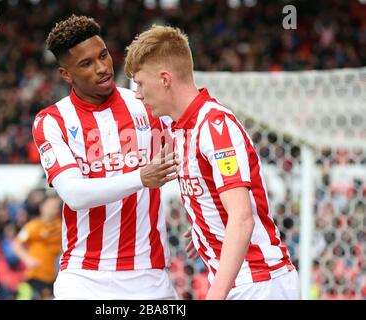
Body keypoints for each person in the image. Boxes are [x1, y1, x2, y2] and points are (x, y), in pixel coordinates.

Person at [124, 25, 300, 300]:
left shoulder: (214, 126)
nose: (137, 93)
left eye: (140, 83)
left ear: (165, 79)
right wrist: (207, 230)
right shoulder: (181, 130)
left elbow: (242, 219)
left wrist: (215, 295)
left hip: (258, 282)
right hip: (242, 281)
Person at [32, 15, 180, 300]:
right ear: (66, 75)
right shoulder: (52, 121)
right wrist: (140, 177)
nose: (102, 68)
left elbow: (187, 153)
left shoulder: (145, 104)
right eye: (86, 64)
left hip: (148, 276)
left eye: (103, 56)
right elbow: (74, 194)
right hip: (85, 278)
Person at [12, 194, 62, 299]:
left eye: (56, 206)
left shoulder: (61, 227)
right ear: (42, 207)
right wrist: (27, 259)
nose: (54, 208)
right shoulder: (33, 226)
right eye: (50, 205)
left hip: (53, 278)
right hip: (34, 276)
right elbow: (16, 244)